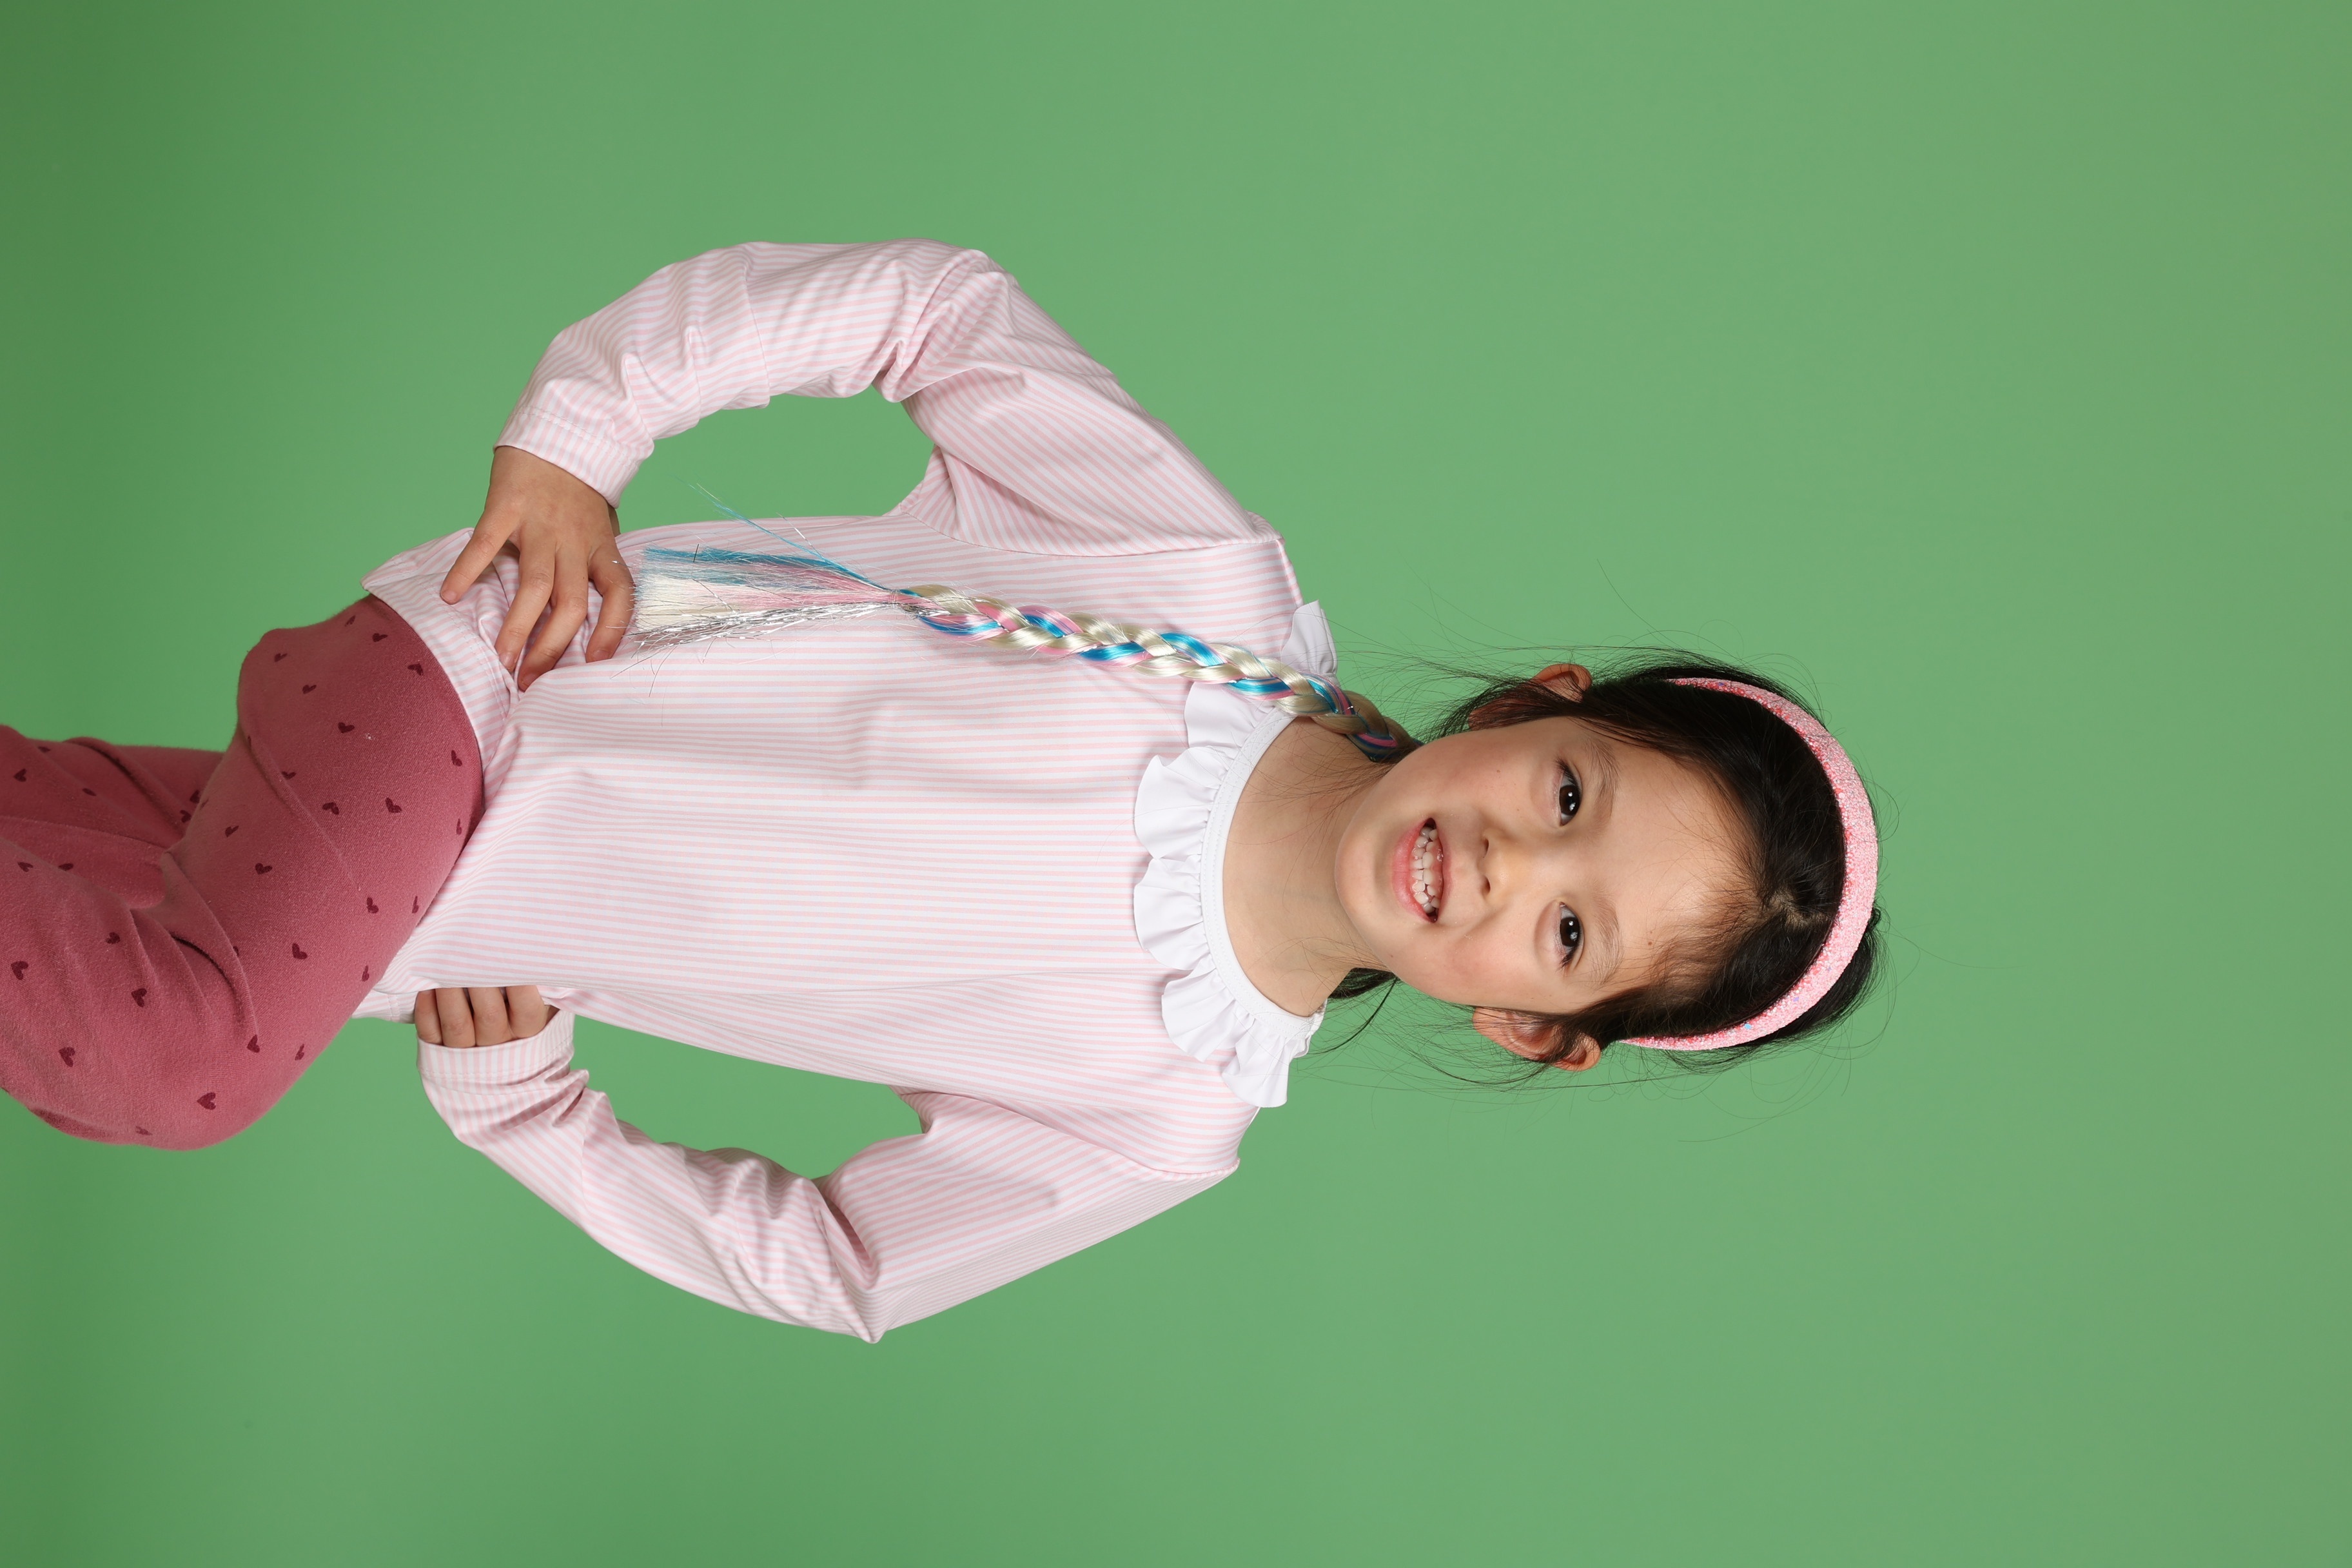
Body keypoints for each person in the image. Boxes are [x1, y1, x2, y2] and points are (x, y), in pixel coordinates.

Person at [2, 240, 1880, 1338]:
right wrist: (584, 431)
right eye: (1570, 794)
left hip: (424, 923)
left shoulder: (1155, 1120)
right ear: (1544, 707)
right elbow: (937, 310)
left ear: (1536, 1027)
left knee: (65, 856)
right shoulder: (1198, 598)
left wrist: (536, 1115)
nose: (1506, 864)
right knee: (182, 1059)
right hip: (479, 679)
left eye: (1572, 934)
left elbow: (842, 1266)